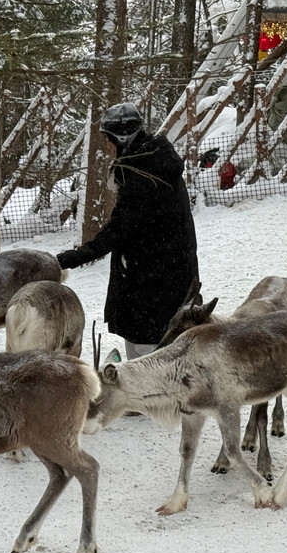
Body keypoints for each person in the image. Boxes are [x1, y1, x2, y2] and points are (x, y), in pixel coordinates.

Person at [56, 103, 199, 361]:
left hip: (153, 284)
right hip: (173, 273)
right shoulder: (153, 160)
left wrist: (70, 259)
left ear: (122, 139)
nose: (107, 146)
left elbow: (118, 230)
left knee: (148, 357)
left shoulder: (141, 176)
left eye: (108, 140)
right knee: (168, 346)